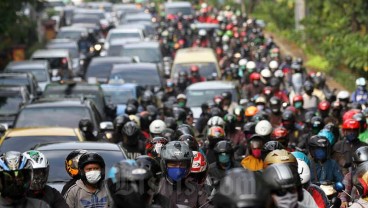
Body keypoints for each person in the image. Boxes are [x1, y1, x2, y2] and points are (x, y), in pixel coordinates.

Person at [158, 141, 212, 207]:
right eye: (173, 164)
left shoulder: (197, 188)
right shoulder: (157, 186)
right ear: (164, 165)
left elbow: (207, 205)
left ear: (189, 165)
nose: (178, 168)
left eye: (182, 164)